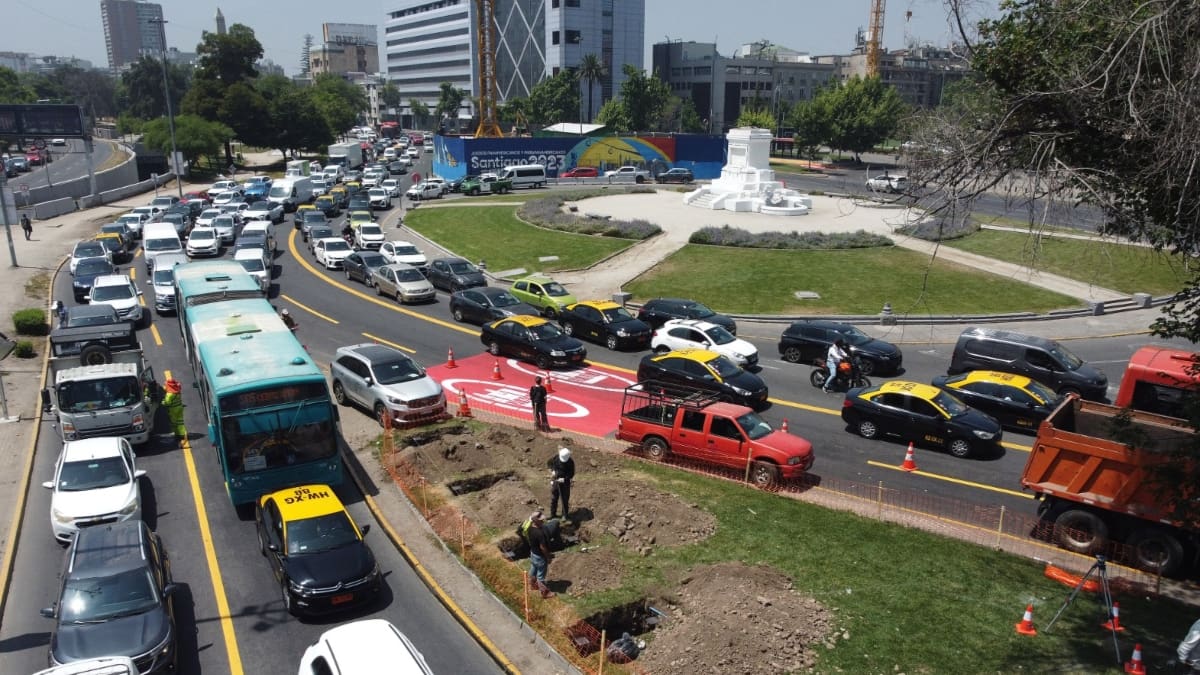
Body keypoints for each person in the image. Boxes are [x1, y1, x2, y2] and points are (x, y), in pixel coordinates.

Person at [522, 511, 554, 598]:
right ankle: (545, 593)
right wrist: (548, 557)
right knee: (541, 576)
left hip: (533, 553)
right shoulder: (539, 533)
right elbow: (543, 547)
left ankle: (532, 585)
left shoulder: (529, 529)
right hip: (540, 557)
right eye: (541, 520)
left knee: (533, 569)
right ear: (536, 521)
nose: (543, 521)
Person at [548, 446, 575, 521]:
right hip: (556, 481)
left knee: (564, 500)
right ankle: (553, 514)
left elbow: (571, 474)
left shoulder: (570, 462)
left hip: (565, 483)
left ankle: (564, 515)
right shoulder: (556, 458)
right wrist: (552, 471)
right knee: (554, 498)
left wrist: (564, 479)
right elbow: (550, 463)